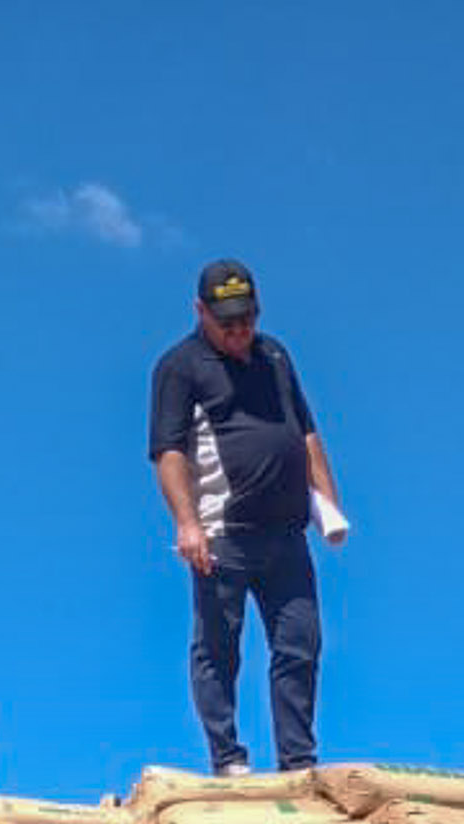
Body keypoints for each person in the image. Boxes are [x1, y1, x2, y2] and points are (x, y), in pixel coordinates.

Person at [147, 259, 349, 774]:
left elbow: (305, 432)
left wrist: (328, 502)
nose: (240, 330)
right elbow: (168, 452)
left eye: (248, 318)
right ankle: (228, 758)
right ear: (201, 312)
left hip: (286, 533)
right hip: (222, 535)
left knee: (300, 644)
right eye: (228, 322)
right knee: (219, 648)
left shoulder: (275, 355)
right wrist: (187, 523)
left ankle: (297, 761)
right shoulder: (180, 367)